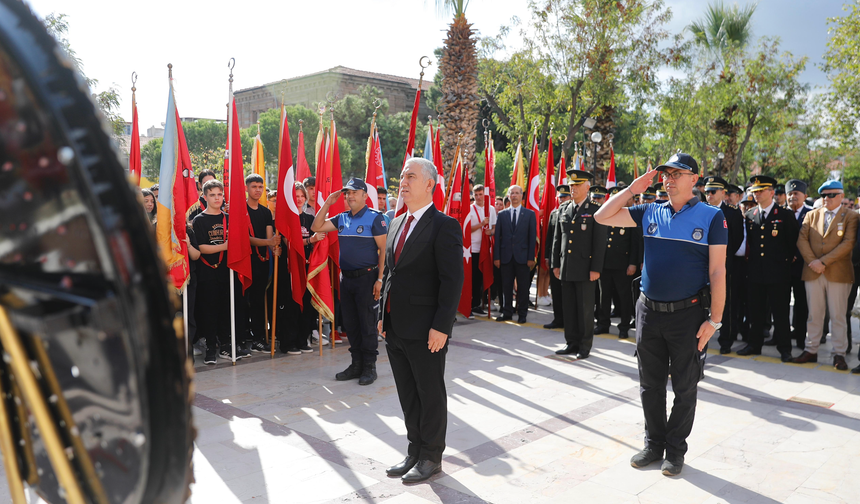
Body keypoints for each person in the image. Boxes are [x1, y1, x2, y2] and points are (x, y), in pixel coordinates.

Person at [594, 152, 727, 477]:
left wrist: (714, 321)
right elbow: (602, 216)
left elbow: (718, 272)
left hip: (688, 316)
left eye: (677, 174)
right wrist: (632, 189)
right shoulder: (650, 210)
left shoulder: (712, 217)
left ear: (694, 179)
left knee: (685, 386)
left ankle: (675, 450)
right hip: (649, 312)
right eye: (666, 174)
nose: (669, 179)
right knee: (649, 385)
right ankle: (654, 444)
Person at [377, 157, 463, 483]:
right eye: (402, 176)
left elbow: (452, 280)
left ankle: (431, 456)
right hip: (396, 326)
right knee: (407, 393)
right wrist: (382, 314)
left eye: (410, 176)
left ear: (430, 184)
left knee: (430, 392)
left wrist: (442, 326)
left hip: (427, 329)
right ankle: (414, 450)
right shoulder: (397, 223)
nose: (403, 181)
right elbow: (390, 274)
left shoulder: (444, 225)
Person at [312, 177, 387, 385]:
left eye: (354, 192)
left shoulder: (375, 218)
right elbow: (316, 226)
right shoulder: (342, 218)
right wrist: (328, 202)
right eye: (347, 193)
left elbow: (383, 251)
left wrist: (380, 279)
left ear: (365, 196)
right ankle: (356, 364)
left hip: (368, 278)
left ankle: (369, 367)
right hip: (347, 279)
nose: (349, 196)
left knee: (367, 324)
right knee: (351, 324)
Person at [793, 180, 859, 370]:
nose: (826, 199)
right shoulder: (811, 215)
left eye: (831, 195)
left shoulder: (851, 216)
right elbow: (802, 240)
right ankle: (811, 349)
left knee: (838, 315)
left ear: (840, 196)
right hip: (813, 272)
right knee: (814, 314)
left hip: (838, 273)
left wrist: (823, 262)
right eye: (823, 195)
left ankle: (839, 353)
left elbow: (848, 243)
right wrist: (813, 262)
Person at [736, 176, 799, 362]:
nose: (756, 195)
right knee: (755, 312)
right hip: (755, 272)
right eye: (754, 192)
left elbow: (793, 243)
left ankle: (784, 348)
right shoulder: (750, 215)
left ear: (772, 192)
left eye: (760, 191)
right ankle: (754, 344)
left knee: (780, 313)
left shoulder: (784, 215)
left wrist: (786, 263)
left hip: (778, 273)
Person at [192, 180, 251, 363]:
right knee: (209, 311)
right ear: (205, 197)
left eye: (219, 194)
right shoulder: (199, 220)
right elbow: (201, 248)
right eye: (212, 195)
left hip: (228, 272)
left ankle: (226, 345)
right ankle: (210, 347)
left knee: (227, 310)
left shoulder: (228, 218)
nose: (217, 198)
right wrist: (226, 246)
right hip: (207, 273)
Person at [551, 170, 606, 358]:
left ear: (587, 187)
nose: (572, 188)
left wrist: (596, 269)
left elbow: (599, 243)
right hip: (567, 267)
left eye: (577, 185)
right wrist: (555, 263)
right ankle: (571, 342)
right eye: (571, 185)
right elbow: (558, 239)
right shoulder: (564, 209)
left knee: (584, 309)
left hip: (585, 268)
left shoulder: (595, 210)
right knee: (569, 307)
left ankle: (584, 346)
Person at [702, 176, 744, 354]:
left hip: (724, 265)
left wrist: (722, 257)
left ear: (722, 193)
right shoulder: (700, 211)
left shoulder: (733, 212)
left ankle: (725, 340)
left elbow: (737, 239)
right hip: (702, 264)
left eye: (713, 192)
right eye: (707, 192)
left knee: (725, 303)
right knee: (701, 301)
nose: (709, 195)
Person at [594, 185, 639, 339]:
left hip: (622, 265)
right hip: (605, 264)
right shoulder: (607, 216)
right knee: (603, 296)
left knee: (624, 297)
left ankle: (624, 326)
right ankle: (603, 324)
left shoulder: (630, 216)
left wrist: (633, 263)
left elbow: (635, 244)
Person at [244, 174, 279, 353]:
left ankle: (258, 338)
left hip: (262, 262)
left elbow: (269, 236)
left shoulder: (266, 212)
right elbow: (246, 239)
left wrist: (273, 247)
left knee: (258, 301)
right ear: (247, 188)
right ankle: (242, 338)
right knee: (243, 301)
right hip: (244, 262)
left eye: (260, 187)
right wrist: (269, 243)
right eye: (254, 186)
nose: (257, 190)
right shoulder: (240, 210)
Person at [493, 185, 537, 324]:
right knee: (506, 287)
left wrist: (531, 257)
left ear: (521, 196)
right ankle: (507, 312)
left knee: (523, 288)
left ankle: (522, 314)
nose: (514, 196)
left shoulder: (529, 214)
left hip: (523, 258)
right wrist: (497, 257)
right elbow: (498, 238)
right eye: (512, 193)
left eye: (517, 193)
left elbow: (532, 238)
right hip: (506, 257)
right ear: (508, 195)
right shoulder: (502, 215)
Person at [786, 179, 813, 349]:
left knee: (801, 303)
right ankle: (781, 336)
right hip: (783, 266)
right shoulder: (780, 213)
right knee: (781, 303)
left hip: (802, 266)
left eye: (796, 194)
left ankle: (801, 336)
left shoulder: (811, 214)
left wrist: (797, 255)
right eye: (790, 194)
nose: (792, 197)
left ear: (805, 196)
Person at [543, 185, 570, 329]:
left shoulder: (574, 213)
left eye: (565, 196)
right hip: (556, 259)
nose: (562, 199)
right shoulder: (554, 213)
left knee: (568, 293)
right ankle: (558, 319)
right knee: (556, 291)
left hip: (570, 259)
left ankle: (569, 321)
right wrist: (548, 257)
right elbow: (550, 237)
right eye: (560, 197)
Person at [469, 184, 497, 314]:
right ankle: (472, 304)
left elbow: (494, 228)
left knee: (482, 277)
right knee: (473, 278)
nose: (478, 197)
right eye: (476, 195)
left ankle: (481, 303)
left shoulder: (490, 209)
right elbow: (467, 229)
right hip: (472, 249)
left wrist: (490, 232)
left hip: (485, 249)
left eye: (481, 194)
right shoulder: (469, 209)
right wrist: (481, 224)